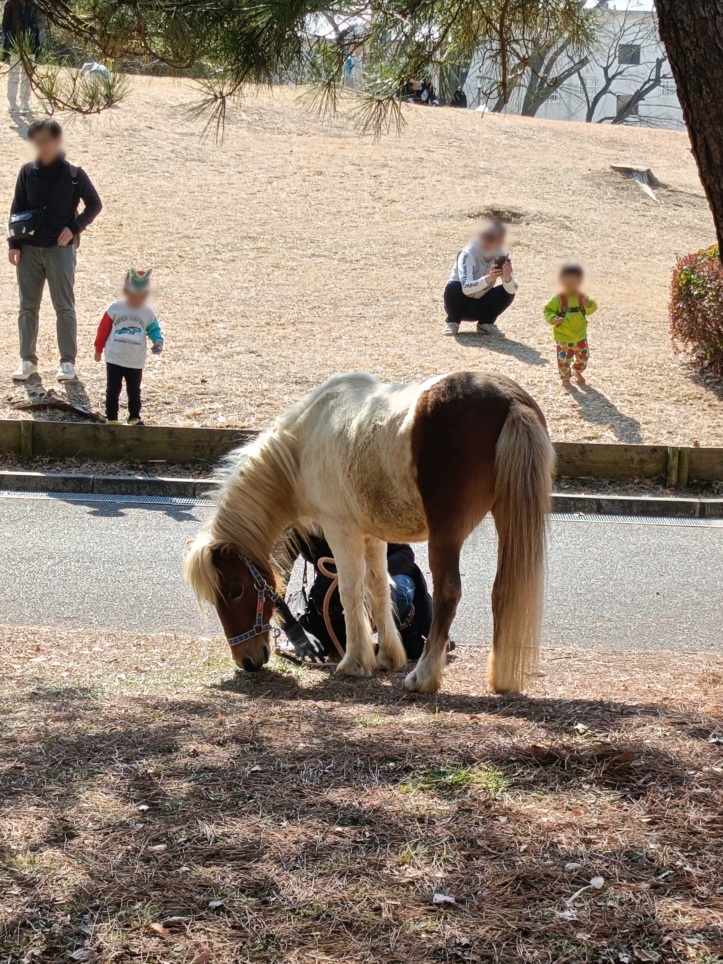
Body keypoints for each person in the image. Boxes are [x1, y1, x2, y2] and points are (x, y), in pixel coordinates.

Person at [8, 118, 102, 382]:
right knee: (27, 307)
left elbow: (94, 204)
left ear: (58, 141)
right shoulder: (27, 171)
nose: (41, 146)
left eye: (45, 141)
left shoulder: (73, 174)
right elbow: (16, 208)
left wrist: (74, 227)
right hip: (28, 250)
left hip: (59, 250)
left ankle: (67, 363)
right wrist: (14, 244)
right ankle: (28, 361)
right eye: (36, 141)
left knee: (64, 307)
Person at [291, 531, 433, 661]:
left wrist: (371, 571)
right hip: (340, 572)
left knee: (395, 594)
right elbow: (308, 555)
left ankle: (407, 636)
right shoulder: (313, 525)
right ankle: (343, 639)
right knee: (327, 588)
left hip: (391, 570)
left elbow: (406, 553)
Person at [94, 268, 164, 425]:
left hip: (135, 360)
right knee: (113, 389)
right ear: (125, 292)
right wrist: (98, 348)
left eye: (141, 296)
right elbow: (103, 330)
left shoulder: (147, 312)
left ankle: (134, 417)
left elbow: (154, 330)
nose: (137, 300)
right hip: (115, 357)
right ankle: (111, 417)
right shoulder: (114, 308)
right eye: (133, 296)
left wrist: (158, 342)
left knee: (134, 390)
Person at [443, 219, 518, 336]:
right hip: (459, 303)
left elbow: (512, 290)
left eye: (491, 238)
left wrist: (508, 278)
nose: (485, 241)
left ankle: (486, 323)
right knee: (453, 285)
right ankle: (452, 322)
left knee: (507, 291)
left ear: (500, 242)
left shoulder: (501, 256)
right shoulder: (468, 253)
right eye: (483, 235)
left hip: (481, 304)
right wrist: (489, 279)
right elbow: (466, 288)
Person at [543, 263, 598, 388]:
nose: (570, 284)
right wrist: (553, 318)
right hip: (563, 335)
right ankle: (565, 378)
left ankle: (577, 370)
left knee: (583, 357)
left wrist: (589, 304)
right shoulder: (558, 298)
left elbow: (593, 307)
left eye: (574, 282)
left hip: (580, 335)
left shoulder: (582, 296)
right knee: (564, 359)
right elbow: (547, 310)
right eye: (567, 281)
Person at [2, 0, 40, 113]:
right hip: (15, 45)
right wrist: (12, 40)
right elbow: (5, 25)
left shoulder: (33, 4)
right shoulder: (10, 3)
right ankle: (12, 104)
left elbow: (36, 26)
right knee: (14, 75)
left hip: (31, 46)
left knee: (27, 76)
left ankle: (25, 103)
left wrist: (36, 45)